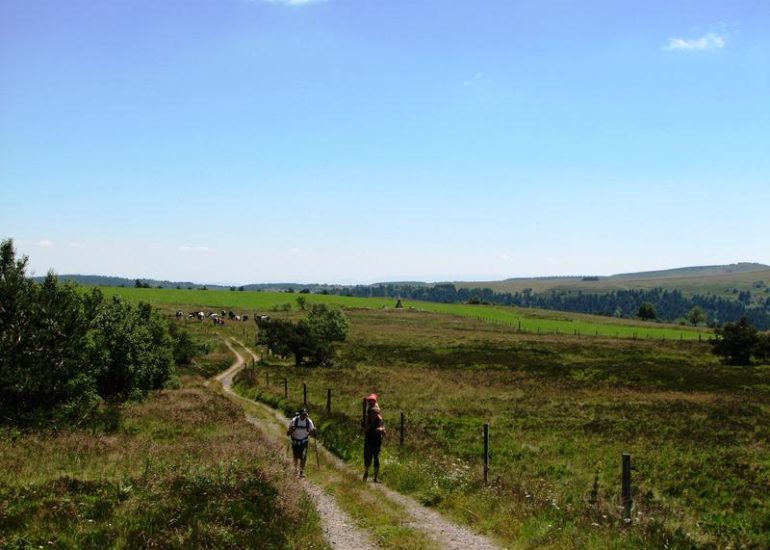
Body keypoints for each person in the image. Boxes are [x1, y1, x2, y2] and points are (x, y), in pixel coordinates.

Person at [362, 393, 385, 482]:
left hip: (377, 443)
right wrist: (369, 425)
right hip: (368, 442)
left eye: (375, 412)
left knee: (377, 460)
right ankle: (366, 472)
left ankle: (375, 478)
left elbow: (384, 432)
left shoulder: (380, 420)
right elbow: (363, 431)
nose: (374, 414)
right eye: (373, 412)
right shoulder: (366, 420)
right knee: (367, 459)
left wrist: (381, 430)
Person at [287, 407, 316, 478]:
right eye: (303, 414)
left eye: (305, 414)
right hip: (295, 441)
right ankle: (295, 469)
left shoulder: (309, 422)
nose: (304, 416)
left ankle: (301, 472)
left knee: (303, 456)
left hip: (304, 441)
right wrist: (291, 430)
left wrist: (313, 432)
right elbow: (288, 433)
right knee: (296, 456)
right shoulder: (294, 420)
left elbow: (312, 434)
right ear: (300, 414)